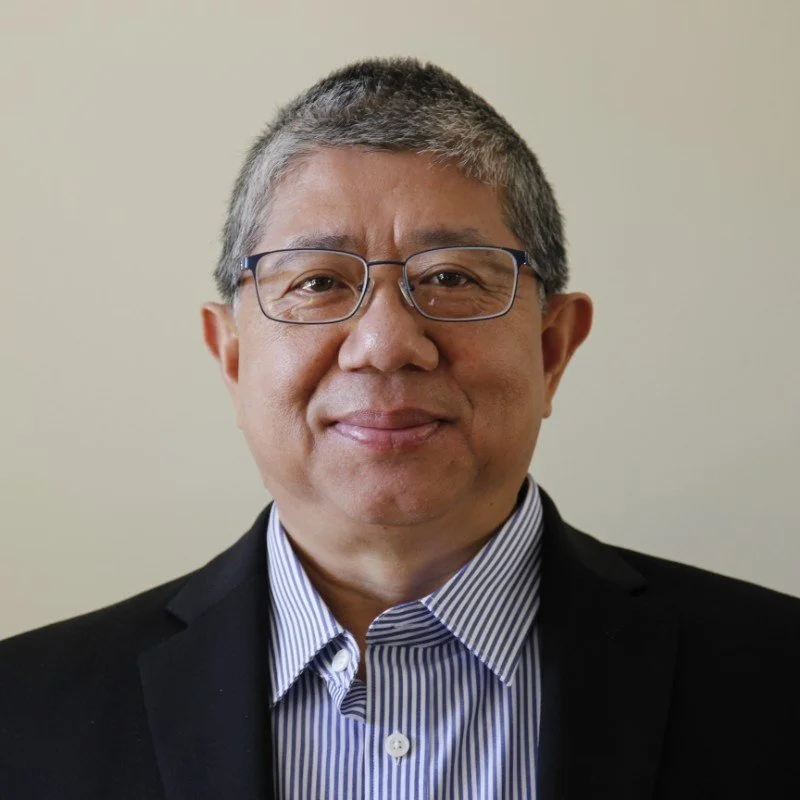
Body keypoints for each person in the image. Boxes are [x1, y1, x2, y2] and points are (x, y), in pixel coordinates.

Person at [1, 57, 798, 800]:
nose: (385, 344)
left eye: (450, 277)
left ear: (553, 348)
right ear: (233, 355)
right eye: (318, 281)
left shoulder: (774, 679)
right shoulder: (26, 712)